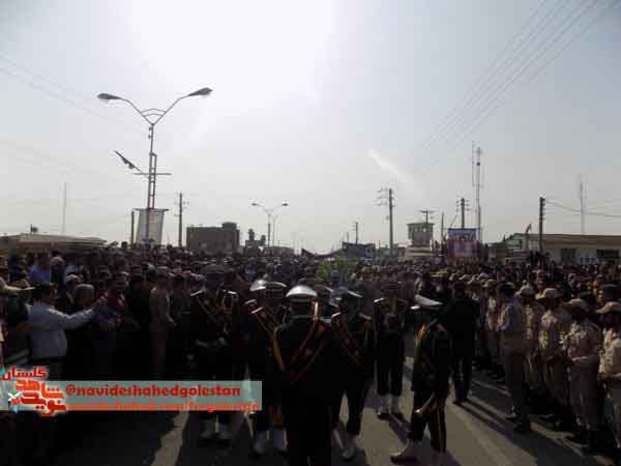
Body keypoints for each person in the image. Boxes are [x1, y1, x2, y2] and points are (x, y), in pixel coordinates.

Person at [272, 285, 335, 466]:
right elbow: (334, 367)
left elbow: (276, 371)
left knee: (295, 445)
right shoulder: (326, 330)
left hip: (292, 398)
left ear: (291, 307)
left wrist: (278, 400)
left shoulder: (280, 333)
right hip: (320, 398)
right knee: (320, 446)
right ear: (311, 306)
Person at [391, 295, 450, 466]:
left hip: (433, 388)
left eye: (420, 313)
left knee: (436, 423)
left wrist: (439, 393)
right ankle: (411, 449)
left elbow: (442, 368)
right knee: (417, 419)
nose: (416, 315)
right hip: (422, 384)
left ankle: (438, 458)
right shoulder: (425, 328)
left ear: (426, 314)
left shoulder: (439, 334)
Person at [190, 265, 238, 444]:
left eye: (218, 279)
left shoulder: (231, 298)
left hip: (224, 349)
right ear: (206, 280)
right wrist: (195, 347)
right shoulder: (196, 299)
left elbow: (236, 324)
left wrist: (223, 340)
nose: (214, 282)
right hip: (203, 348)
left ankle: (224, 428)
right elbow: (192, 325)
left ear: (222, 280)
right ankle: (208, 427)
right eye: (211, 278)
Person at [243, 280, 289, 456]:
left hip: (282, 367)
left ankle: (279, 437)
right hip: (261, 367)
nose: (274, 298)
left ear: (282, 296)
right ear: (266, 295)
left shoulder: (288, 314)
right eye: (270, 294)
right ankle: (261, 438)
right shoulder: (255, 316)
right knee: (261, 404)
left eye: (277, 294)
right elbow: (249, 343)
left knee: (280, 403)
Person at [330, 289, 375, 461]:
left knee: (355, 410)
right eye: (343, 302)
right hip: (336, 373)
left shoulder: (365, 324)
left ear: (356, 306)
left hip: (357, 375)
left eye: (348, 303)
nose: (344, 306)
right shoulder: (335, 320)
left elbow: (371, 353)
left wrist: (368, 377)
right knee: (332, 406)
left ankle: (350, 442)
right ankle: (330, 434)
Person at [563, 298, 602, 453]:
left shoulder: (592, 329)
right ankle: (581, 431)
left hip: (586, 371)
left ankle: (593, 438)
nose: (570, 312)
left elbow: (597, 354)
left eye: (573, 310)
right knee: (575, 401)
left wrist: (576, 361)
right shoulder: (573, 326)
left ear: (581, 310)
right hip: (572, 370)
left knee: (587, 403)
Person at [374, 280, 411, 419]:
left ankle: (395, 406)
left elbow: (408, 324)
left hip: (397, 344)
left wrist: (399, 329)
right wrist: (384, 326)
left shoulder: (403, 305)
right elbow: (376, 325)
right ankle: (383, 406)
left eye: (393, 289)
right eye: (388, 289)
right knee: (382, 375)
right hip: (383, 344)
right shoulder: (378, 304)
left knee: (397, 375)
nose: (390, 292)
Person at [497, 283, 530, 433]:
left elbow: (512, 328)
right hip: (510, 347)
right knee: (512, 383)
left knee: (515, 384)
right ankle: (517, 412)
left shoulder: (512, 308)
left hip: (514, 348)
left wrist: (500, 328)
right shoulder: (510, 306)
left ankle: (523, 419)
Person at [538, 287, 573, 430]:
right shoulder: (546, 314)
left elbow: (565, 341)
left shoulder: (564, 317)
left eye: (548, 300)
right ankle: (554, 413)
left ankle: (564, 419)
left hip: (556, 358)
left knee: (560, 388)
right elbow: (542, 334)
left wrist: (556, 355)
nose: (545, 303)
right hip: (545, 355)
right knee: (550, 385)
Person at [443, 280, 478, 404]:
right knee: (467, 369)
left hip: (456, 340)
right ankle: (465, 393)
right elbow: (477, 317)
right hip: (469, 340)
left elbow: (445, 320)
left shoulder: (452, 304)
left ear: (456, 291)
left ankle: (459, 394)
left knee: (455, 370)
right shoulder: (473, 303)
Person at [597, 301, 621, 466]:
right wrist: (601, 373)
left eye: (606, 316)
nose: (603, 319)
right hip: (609, 386)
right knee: (611, 419)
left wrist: (613, 377)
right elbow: (603, 355)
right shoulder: (608, 333)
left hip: (618, 386)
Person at [520, 284, 546, 413]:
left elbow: (541, 331)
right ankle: (530, 399)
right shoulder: (526, 308)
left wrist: (537, 348)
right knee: (528, 375)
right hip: (526, 344)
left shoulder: (539, 310)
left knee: (537, 377)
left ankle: (540, 404)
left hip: (535, 344)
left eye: (524, 296)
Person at [149, 267, 175, 379]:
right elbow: (163, 315)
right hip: (160, 327)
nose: (168, 280)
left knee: (158, 354)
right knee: (160, 355)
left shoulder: (155, 290)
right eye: (166, 277)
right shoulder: (161, 292)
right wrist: (174, 324)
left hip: (156, 325)